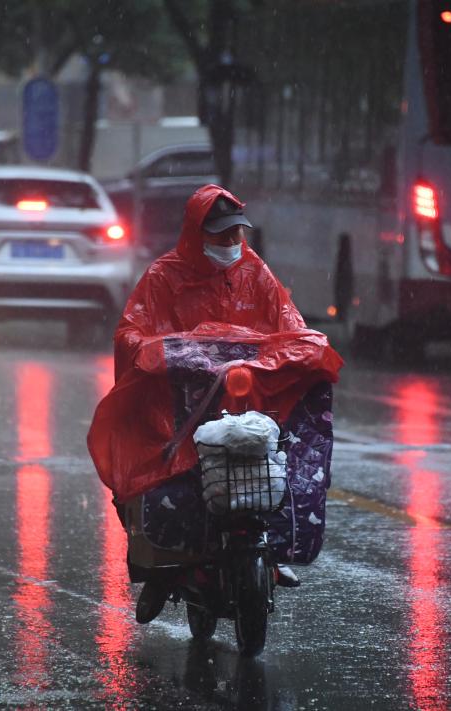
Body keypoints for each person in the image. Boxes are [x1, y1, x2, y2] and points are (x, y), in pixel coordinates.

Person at [104, 184, 309, 623]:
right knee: (155, 477)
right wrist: (158, 352)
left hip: (246, 400)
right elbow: (131, 332)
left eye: (236, 235)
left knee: (278, 464)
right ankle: (160, 568)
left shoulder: (256, 274)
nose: (230, 245)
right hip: (182, 405)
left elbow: (291, 328)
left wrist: (301, 349)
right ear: (196, 234)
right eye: (220, 236)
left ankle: (272, 549)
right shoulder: (164, 276)